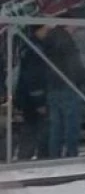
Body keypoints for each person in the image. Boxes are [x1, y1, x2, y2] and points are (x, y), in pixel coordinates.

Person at [35, 23, 85, 158]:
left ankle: (55, 154)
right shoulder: (65, 40)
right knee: (71, 124)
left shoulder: (47, 40)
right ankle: (71, 153)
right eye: (73, 27)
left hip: (52, 87)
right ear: (67, 26)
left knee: (56, 125)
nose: (75, 30)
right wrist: (82, 80)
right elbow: (74, 64)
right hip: (67, 86)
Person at [14, 27, 50, 160]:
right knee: (34, 129)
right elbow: (34, 76)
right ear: (38, 30)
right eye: (45, 30)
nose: (48, 32)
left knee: (31, 128)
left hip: (26, 96)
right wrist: (39, 100)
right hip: (33, 98)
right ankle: (30, 158)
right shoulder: (35, 49)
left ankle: (26, 157)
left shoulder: (28, 46)